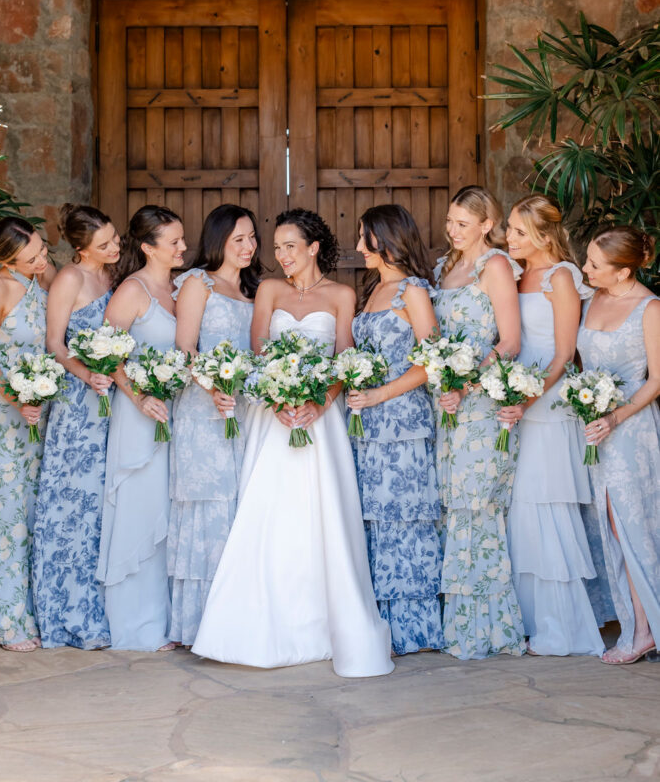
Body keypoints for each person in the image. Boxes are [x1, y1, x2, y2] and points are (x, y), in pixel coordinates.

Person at [192, 209, 393, 677]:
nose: (280, 256)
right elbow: (259, 350)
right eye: (276, 247)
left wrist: (318, 404)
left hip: (320, 419)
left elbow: (345, 358)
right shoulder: (269, 290)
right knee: (270, 513)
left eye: (289, 247)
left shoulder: (342, 295)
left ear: (313, 248)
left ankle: (324, 627)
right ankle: (258, 627)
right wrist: (278, 399)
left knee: (321, 518)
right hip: (272, 415)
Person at [503, 195, 603, 656]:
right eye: (509, 229)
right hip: (511, 403)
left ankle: (559, 625)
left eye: (520, 232)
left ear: (544, 235)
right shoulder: (512, 273)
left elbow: (564, 354)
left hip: (546, 403)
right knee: (519, 510)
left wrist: (527, 398)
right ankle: (523, 618)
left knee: (543, 505)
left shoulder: (562, 277)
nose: (510, 238)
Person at [346, 204, 443, 654]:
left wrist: (379, 395)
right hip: (366, 425)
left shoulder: (412, 291)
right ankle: (380, 624)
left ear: (382, 240)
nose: (357, 246)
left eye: (363, 236)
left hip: (403, 425)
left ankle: (412, 629)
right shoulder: (372, 291)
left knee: (405, 519)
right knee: (375, 521)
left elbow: (431, 360)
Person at [433, 186, 525, 659]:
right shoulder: (442, 269)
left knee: (477, 502)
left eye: (462, 224)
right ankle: (455, 622)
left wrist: (467, 383)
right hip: (444, 405)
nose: (452, 230)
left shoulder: (496, 267)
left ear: (487, 225)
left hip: (481, 405)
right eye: (450, 221)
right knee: (451, 502)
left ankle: (486, 628)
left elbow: (509, 341)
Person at [168, 205, 260, 646]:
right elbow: (185, 349)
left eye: (252, 238)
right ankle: (201, 624)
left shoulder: (254, 290)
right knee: (211, 505)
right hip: (205, 412)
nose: (248, 247)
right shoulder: (197, 283)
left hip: (246, 413)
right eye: (238, 239)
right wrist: (212, 388)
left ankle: (237, 619)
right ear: (219, 239)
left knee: (242, 506)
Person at [96, 205, 186, 650]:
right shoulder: (132, 291)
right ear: (149, 247)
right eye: (174, 242)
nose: (183, 247)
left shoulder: (183, 287)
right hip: (139, 415)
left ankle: (169, 619)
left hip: (175, 415)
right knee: (140, 509)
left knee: (168, 513)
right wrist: (140, 396)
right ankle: (135, 624)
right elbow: (107, 356)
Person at [32, 204, 120, 649]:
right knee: (73, 505)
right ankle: (66, 612)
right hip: (77, 404)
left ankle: (101, 608)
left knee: (103, 506)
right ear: (81, 249)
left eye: (115, 238)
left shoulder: (112, 277)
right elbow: (54, 342)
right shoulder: (69, 279)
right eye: (104, 244)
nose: (114, 246)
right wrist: (86, 374)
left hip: (112, 400)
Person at [578, 225, 659, 665]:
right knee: (607, 525)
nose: (585, 268)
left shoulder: (650, 308)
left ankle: (644, 630)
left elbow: (657, 380)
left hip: (630, 431)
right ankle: (630, 620)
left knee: (631, 525)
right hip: (592, 426)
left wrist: (614, 416)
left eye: (593, 264)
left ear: (624, 271)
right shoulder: (592, 299)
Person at [0, 217, 55, 651]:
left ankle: (18, 609)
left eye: (43, 249)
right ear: (7, 260)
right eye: (32, 257)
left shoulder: (38, 285)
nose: (42, 259)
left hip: (37, 411)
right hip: (4, 415)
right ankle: (7, 620)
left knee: (29, 512)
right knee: (5, 513)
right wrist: (14, 399)